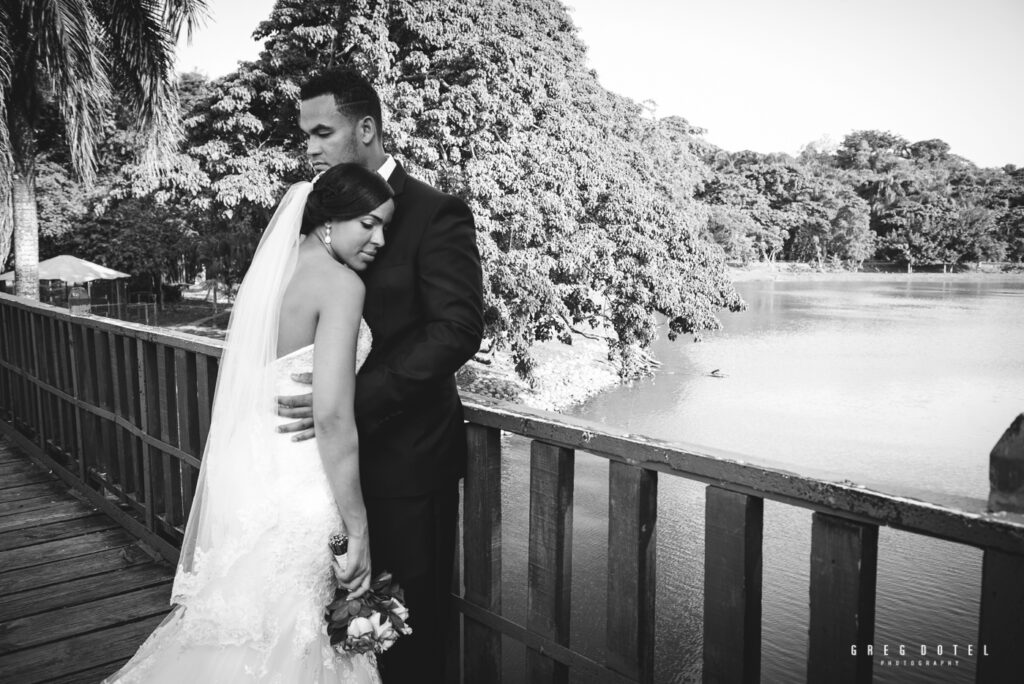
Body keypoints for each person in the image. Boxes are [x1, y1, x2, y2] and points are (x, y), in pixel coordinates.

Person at [103, 164, 395, 684]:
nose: (379, 239)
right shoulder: (342, 284)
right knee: (289, 625)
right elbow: (329, 417)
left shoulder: (276, 270)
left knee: (244, 619)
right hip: (299, 479)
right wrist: (359, 528)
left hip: (251, 466)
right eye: (369, 223)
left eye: (386, 227)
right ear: (330, 219)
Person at [278, 68, 484, 683]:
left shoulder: (436, 212)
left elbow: (456, 329)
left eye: (321, 132)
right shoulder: (316, 214)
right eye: (305, 136)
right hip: (318, 477)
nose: (308, 149)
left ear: (365, 128)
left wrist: (343, 402)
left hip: (407, 467)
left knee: (408, 643)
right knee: (332, 635)